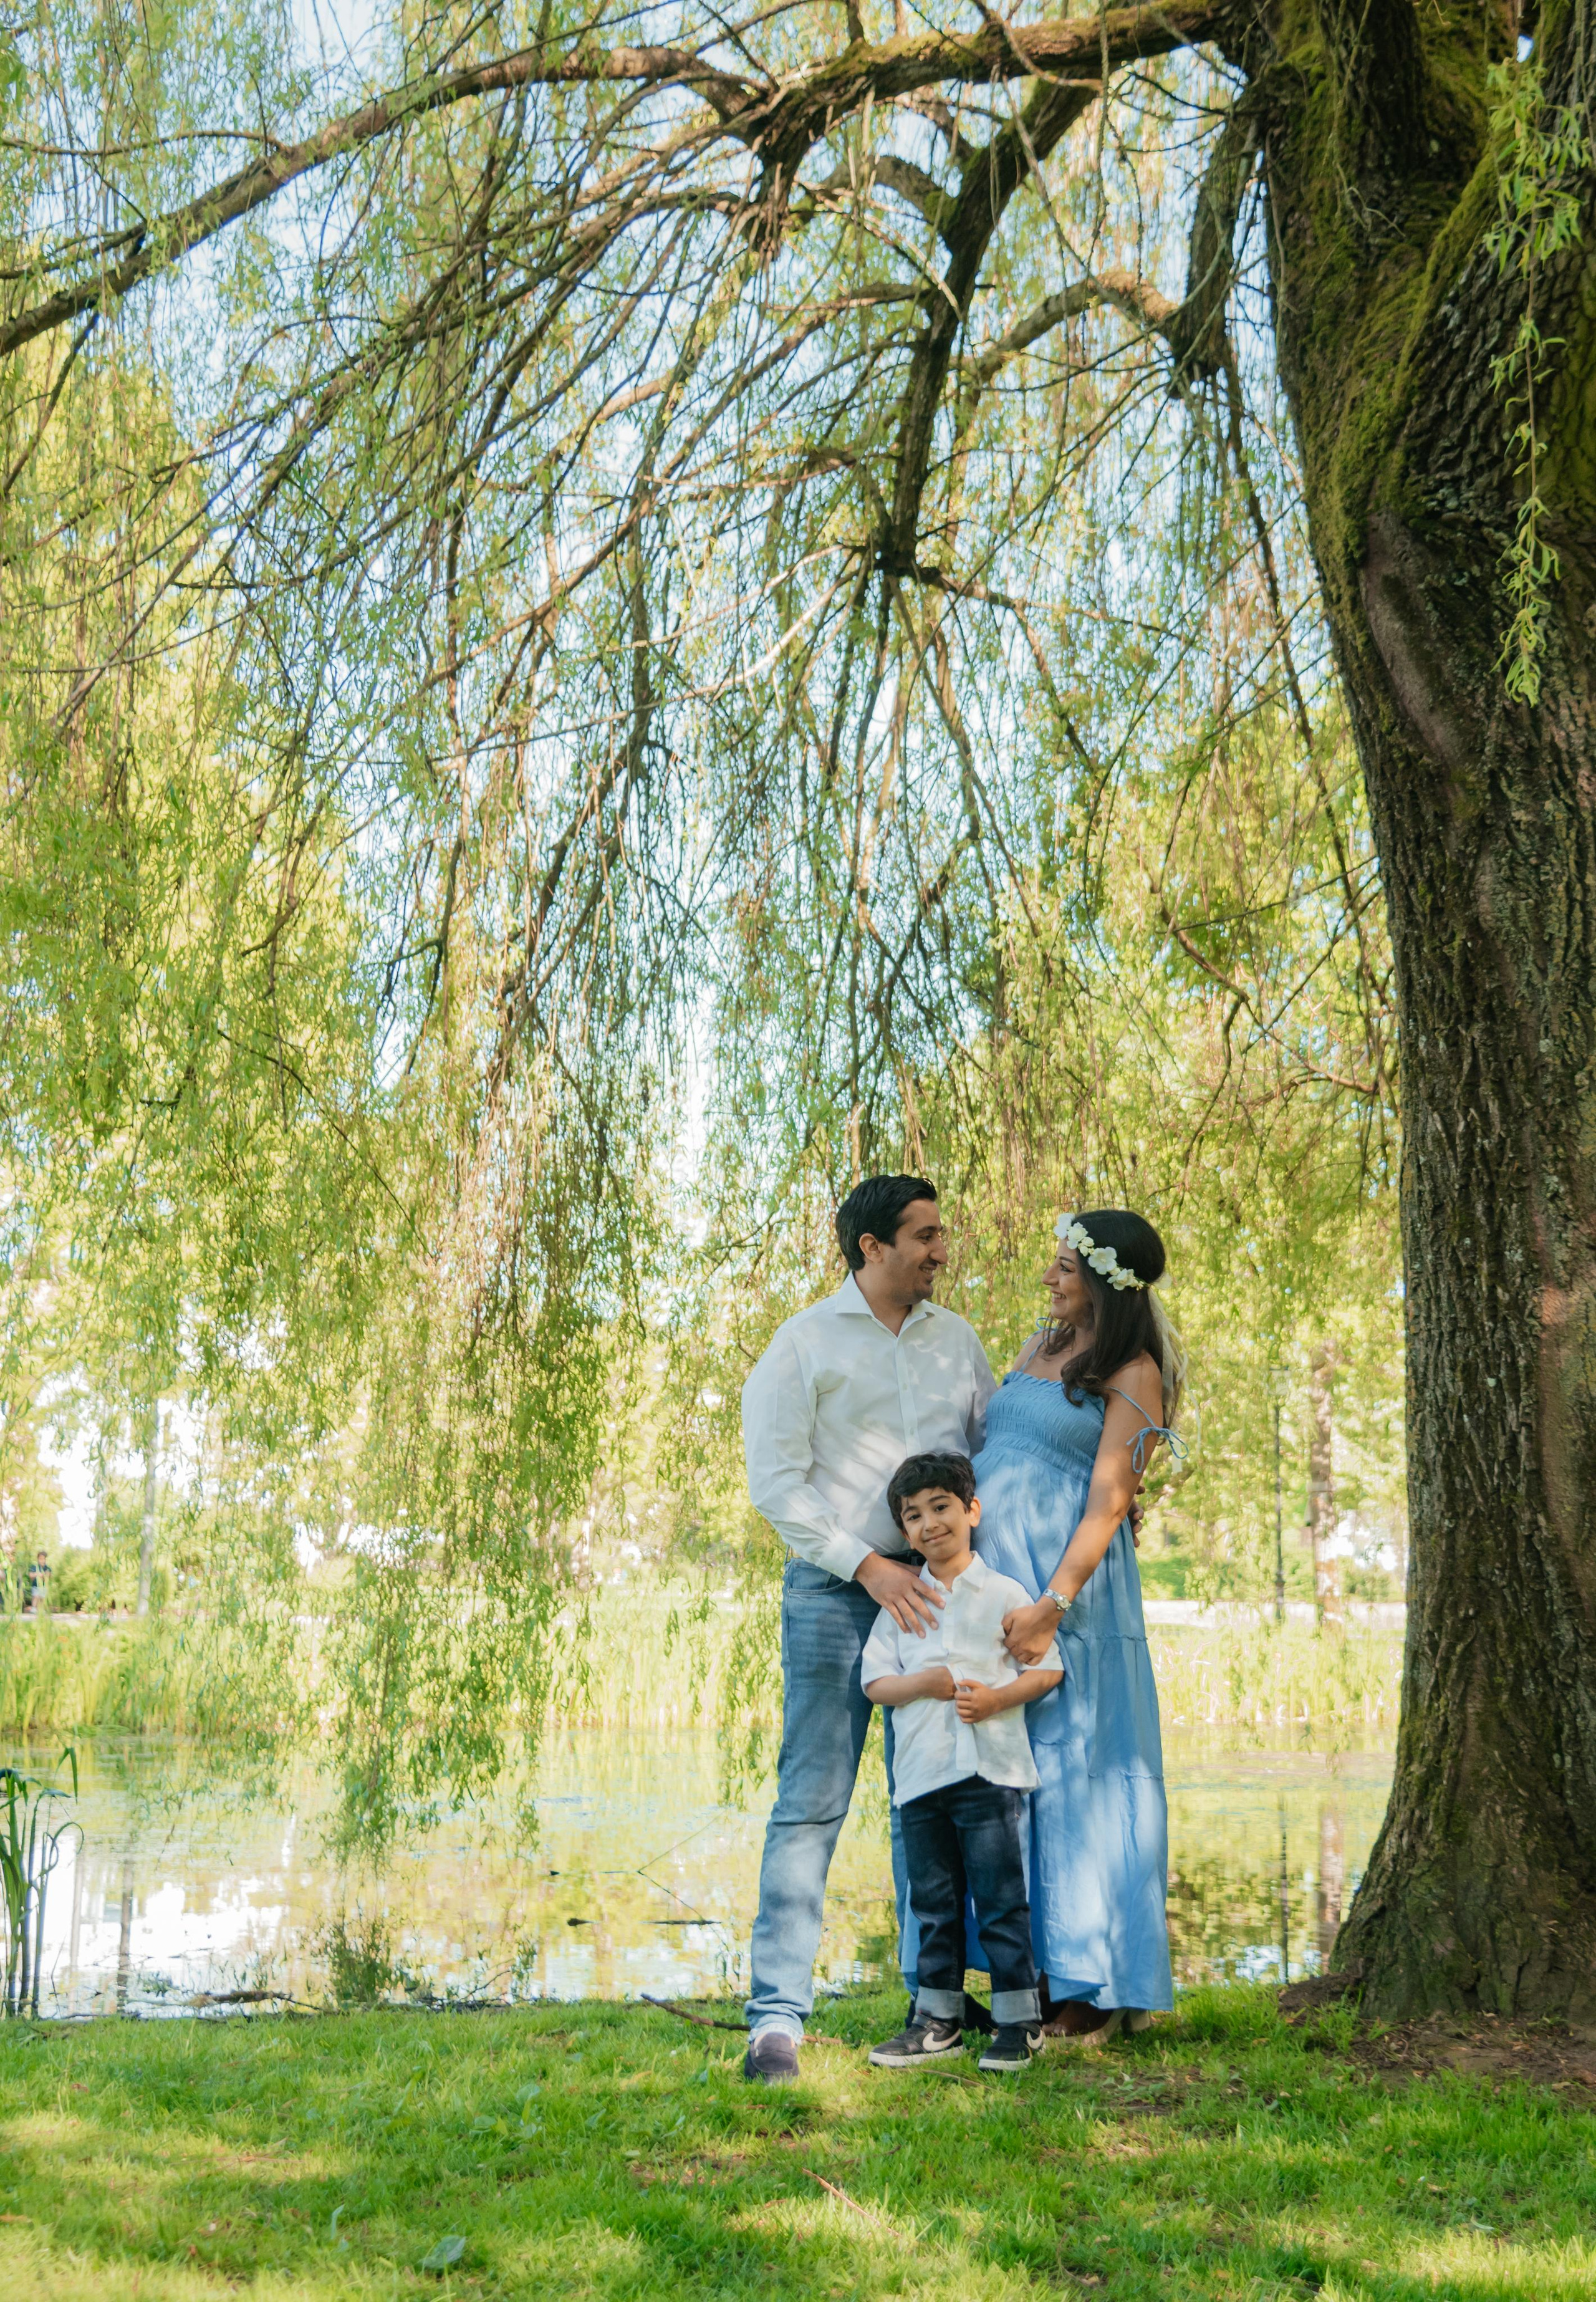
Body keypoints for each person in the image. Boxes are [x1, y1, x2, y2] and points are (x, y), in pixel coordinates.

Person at [739, 1174, 997, 2083]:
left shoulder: (956, 1341)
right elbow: (776, 1484)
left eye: (939, 1235)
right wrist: (869, 1565)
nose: (940, 1250)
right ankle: (776, 2021)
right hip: (837, 1594)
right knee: (812, 1799)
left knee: (928, 1799)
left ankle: (934, 1999)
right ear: (871, 1248)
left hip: (940, 1596)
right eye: (923, 1237)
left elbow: (985, 1458)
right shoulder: (804, 1345)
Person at [974, 1209, 1186, 2043]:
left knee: (1080, 1780)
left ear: (1104, 1282)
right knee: (1016, 1786)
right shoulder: (1037, 1345)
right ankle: (1035, 1979)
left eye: (1066, 1268)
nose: (1051, 1280)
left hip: (1072, 1605)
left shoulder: (1133, 1371)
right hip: (1002, 1594)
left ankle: (1098, 1987)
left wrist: (1052, 1605)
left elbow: (1110, 1499)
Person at [861, 1452, 1062, 2073]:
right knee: (933, 1902)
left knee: (1002, 1899)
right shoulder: (901, 1602)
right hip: (921, 1777)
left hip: (990, 1773)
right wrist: (925, 1682)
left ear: (971, 1510)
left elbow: (1047, 1667)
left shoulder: (1003, 1591)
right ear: (904, 1532)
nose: (928, 1523)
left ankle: (1018, 2021)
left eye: (941, 1506)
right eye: (912, 1515)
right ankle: (936, 2019)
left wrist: (999, 1696)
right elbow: (874, 1683)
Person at [26, 1551, 50, 1615]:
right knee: (36, 1596)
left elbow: (49, 1575)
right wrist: (37, 1574)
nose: (42, 1561)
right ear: (38, 1559)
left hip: (43, 1586)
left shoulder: (47, 1568)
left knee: (42, 1597)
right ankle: (34, 1608)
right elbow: (30, 1575)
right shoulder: (34, 1567)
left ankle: (41, 1609)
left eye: (44, 1559)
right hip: (36, 1586)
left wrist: (45, 1575)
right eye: (41, 1559)